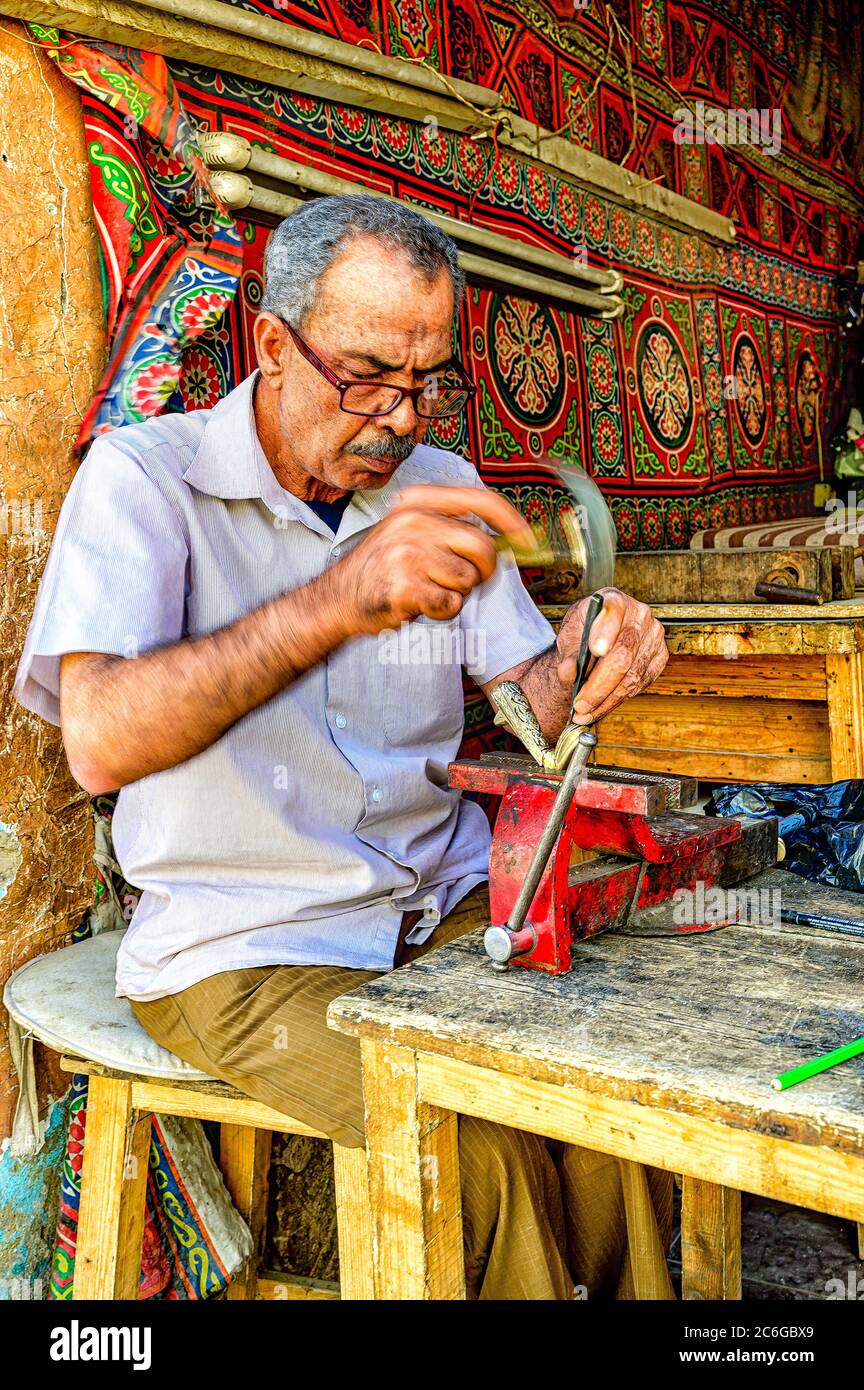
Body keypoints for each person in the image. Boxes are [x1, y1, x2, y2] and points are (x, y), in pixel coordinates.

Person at [15, 194, 673, 1299]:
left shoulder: (440, 489)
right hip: (246, 941)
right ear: (273, 345)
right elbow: (100, 741)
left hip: (438, 899)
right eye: (366, 374)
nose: (401, 416)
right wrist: (337, 600)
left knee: (606, 1094)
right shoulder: (145, 482)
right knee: (472, 1145)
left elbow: (533, 707)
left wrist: (591, 652)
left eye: (426, 381)